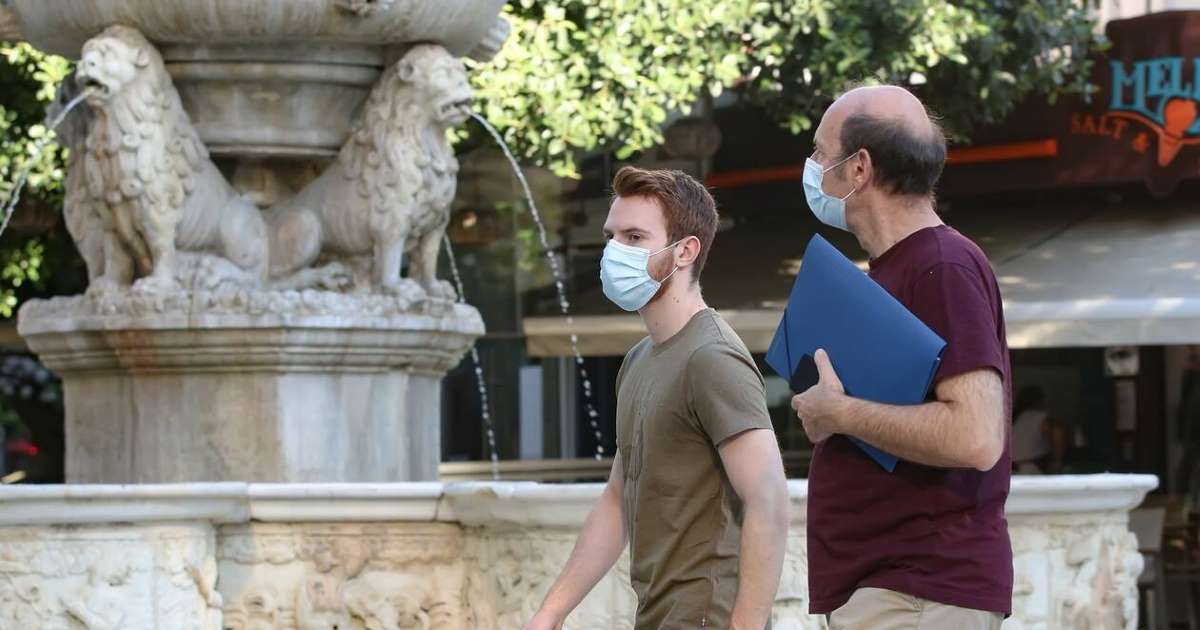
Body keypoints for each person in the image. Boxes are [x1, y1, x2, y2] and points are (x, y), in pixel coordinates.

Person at [524, 167, 789, 630]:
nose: (614, 252)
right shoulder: (639, 360)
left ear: (685, 251)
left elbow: (769, 499)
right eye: (611, 237)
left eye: (634, 237)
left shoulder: (713, 357)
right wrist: (550, 613)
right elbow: (617, 500)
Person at [790, 85, 1012, 629]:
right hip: (894, 591)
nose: (811, 166)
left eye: (820, 152)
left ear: (859, 168)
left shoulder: (943, 266)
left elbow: (975, 436)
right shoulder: (898, 268)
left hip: (919, 592)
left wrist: (841, 414)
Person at [1011, 385, 1063, 474]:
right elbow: (1058, 432)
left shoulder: (1014, 418)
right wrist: (1057, 461)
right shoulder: (1039, 417)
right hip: (1029, 470)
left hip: (1012, 471)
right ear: (1040, 401)